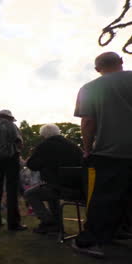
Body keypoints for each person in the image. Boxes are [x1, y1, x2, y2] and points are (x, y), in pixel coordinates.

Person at [72, 52, 132, 258]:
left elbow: (88, 122)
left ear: (97, 69)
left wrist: (88, 149)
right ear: (121, 62)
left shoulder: (90, 88)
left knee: (104, 199)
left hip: (109, 152)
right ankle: (118, 232)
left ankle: (88, 241)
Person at [24, 124, 82, 234]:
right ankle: (56, 225)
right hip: (77, 189)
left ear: (44, 135)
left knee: (30, 194)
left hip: (58, 188)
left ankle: (49, 223)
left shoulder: (45, 146)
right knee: (51, 192)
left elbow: (32, 165)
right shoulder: (73, 146)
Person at [0, 109, 26, 231]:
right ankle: (13, 223)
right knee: (12, 190)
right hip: (10, 160)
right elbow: (18, 142)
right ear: (10, 118)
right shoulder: (11, 125)